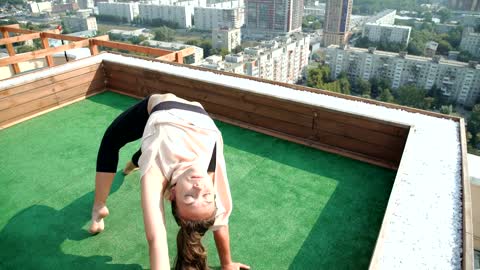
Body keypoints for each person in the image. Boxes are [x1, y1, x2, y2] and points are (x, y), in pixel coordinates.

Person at [89, 93, 250, 270]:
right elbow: (219, 221)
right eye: (206, 196)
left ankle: (99, 205)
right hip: (188, 125)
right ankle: (134, 163)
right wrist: (227, 263)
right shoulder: (209, 172)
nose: (199, 188)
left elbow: (156, 239)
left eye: (189, 197)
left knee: (111, 140)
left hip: (160, 111)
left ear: (172, 194)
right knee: (149, 152)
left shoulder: (156, 174)